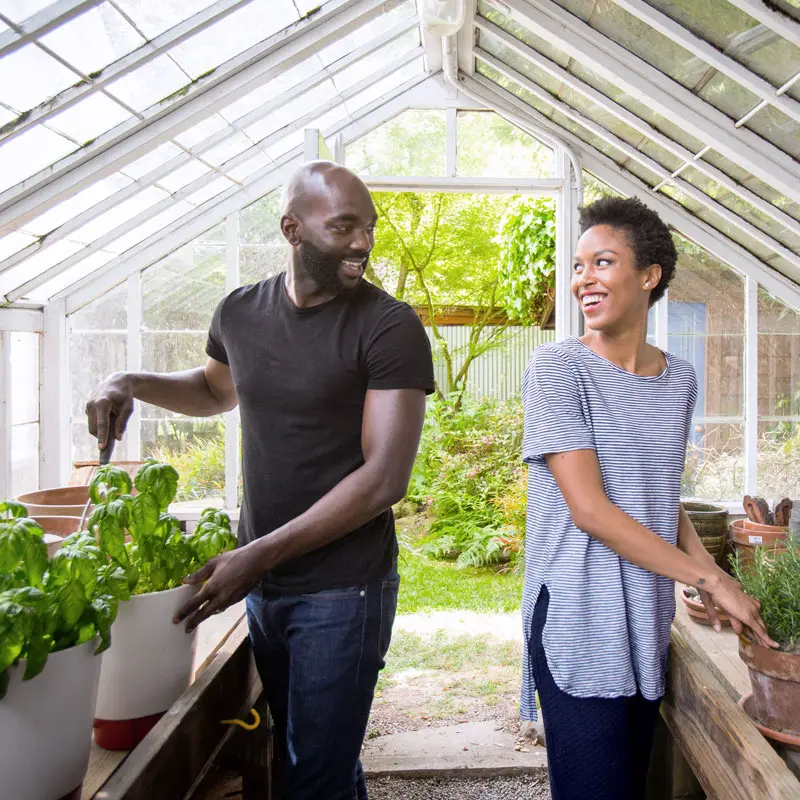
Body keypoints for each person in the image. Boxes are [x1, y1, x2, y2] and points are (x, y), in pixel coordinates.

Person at [86, 161, 435, 800]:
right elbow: (216, 390)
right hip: (265, 584)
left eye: (370, 228)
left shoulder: (389, 327)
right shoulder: (241, 312)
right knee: (306, 756)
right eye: (345, 227)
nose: (364, 242)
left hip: (343, 591)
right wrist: (127, 382)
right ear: (292, 229)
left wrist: (255, 554)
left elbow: (384, 479)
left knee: (315, 777)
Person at [520, 196, 776, 800]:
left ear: (649, 275)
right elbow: (590, 509)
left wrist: (708, 573)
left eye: (602, 262)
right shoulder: (559, 369)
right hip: (579, 612)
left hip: (643, 612)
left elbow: (658, 493)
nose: (583, 278)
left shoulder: (679, 378)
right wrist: (712, 581)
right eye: (579, 266)